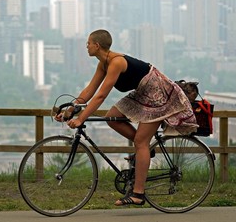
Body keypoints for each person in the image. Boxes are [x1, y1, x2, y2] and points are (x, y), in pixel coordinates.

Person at [56, 29, 198, 206]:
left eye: (88, 43)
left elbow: (100, 96)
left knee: (140, 142)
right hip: (142, 92)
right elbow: (89, 91)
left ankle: (138, 194)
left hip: (157, 93)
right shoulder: (103, 64)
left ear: (97, 45)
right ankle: (146, 150)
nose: (86, 46)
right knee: (112, 117)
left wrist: (81, 118)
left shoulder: (116, 62)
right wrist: (71, 110)